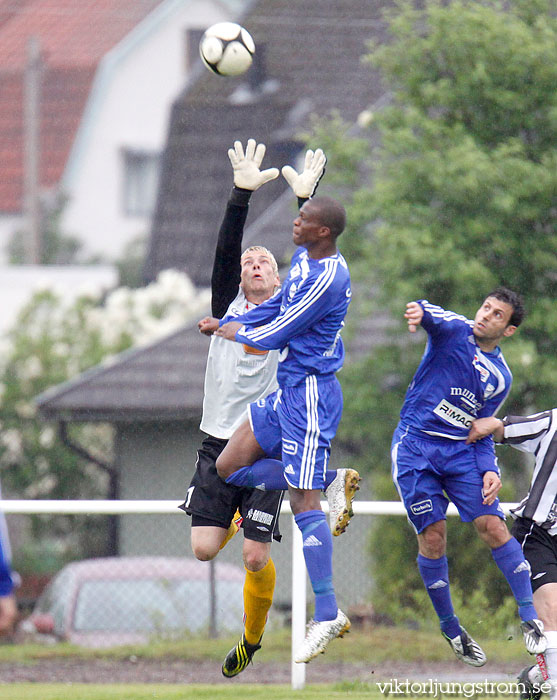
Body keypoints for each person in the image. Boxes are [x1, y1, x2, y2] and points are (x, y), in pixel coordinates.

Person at [182, 139, 358, 676]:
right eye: (249, 260)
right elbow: (293, 236)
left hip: (295, 410)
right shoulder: (231, 300)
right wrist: (241, 193)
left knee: (256, 555)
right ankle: (319, 481)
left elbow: (314, 248)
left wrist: (232, 331)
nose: (256, 259)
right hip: (227, 432)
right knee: (204, 547)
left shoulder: (303, 287)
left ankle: (262, 635)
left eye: (265, 260)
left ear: (280, 277)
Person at [391, 289, 547, 667]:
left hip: (461, 454)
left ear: (508, 330)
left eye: (497, 315)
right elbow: (431, 314)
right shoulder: (454, 331)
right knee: (433, 537)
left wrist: (490, 468)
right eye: (486, 307)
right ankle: (451, 627)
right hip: (417, 448)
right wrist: (417, 313)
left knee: (493, 526)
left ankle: (531, 620)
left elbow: (481, 430)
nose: (485, 316)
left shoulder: (501, 378)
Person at [468, 411, 557, 700]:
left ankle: (535, 677)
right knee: (552, 612)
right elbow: (501, 429)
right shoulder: (554, 421)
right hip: (539, 535)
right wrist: (490, 427)